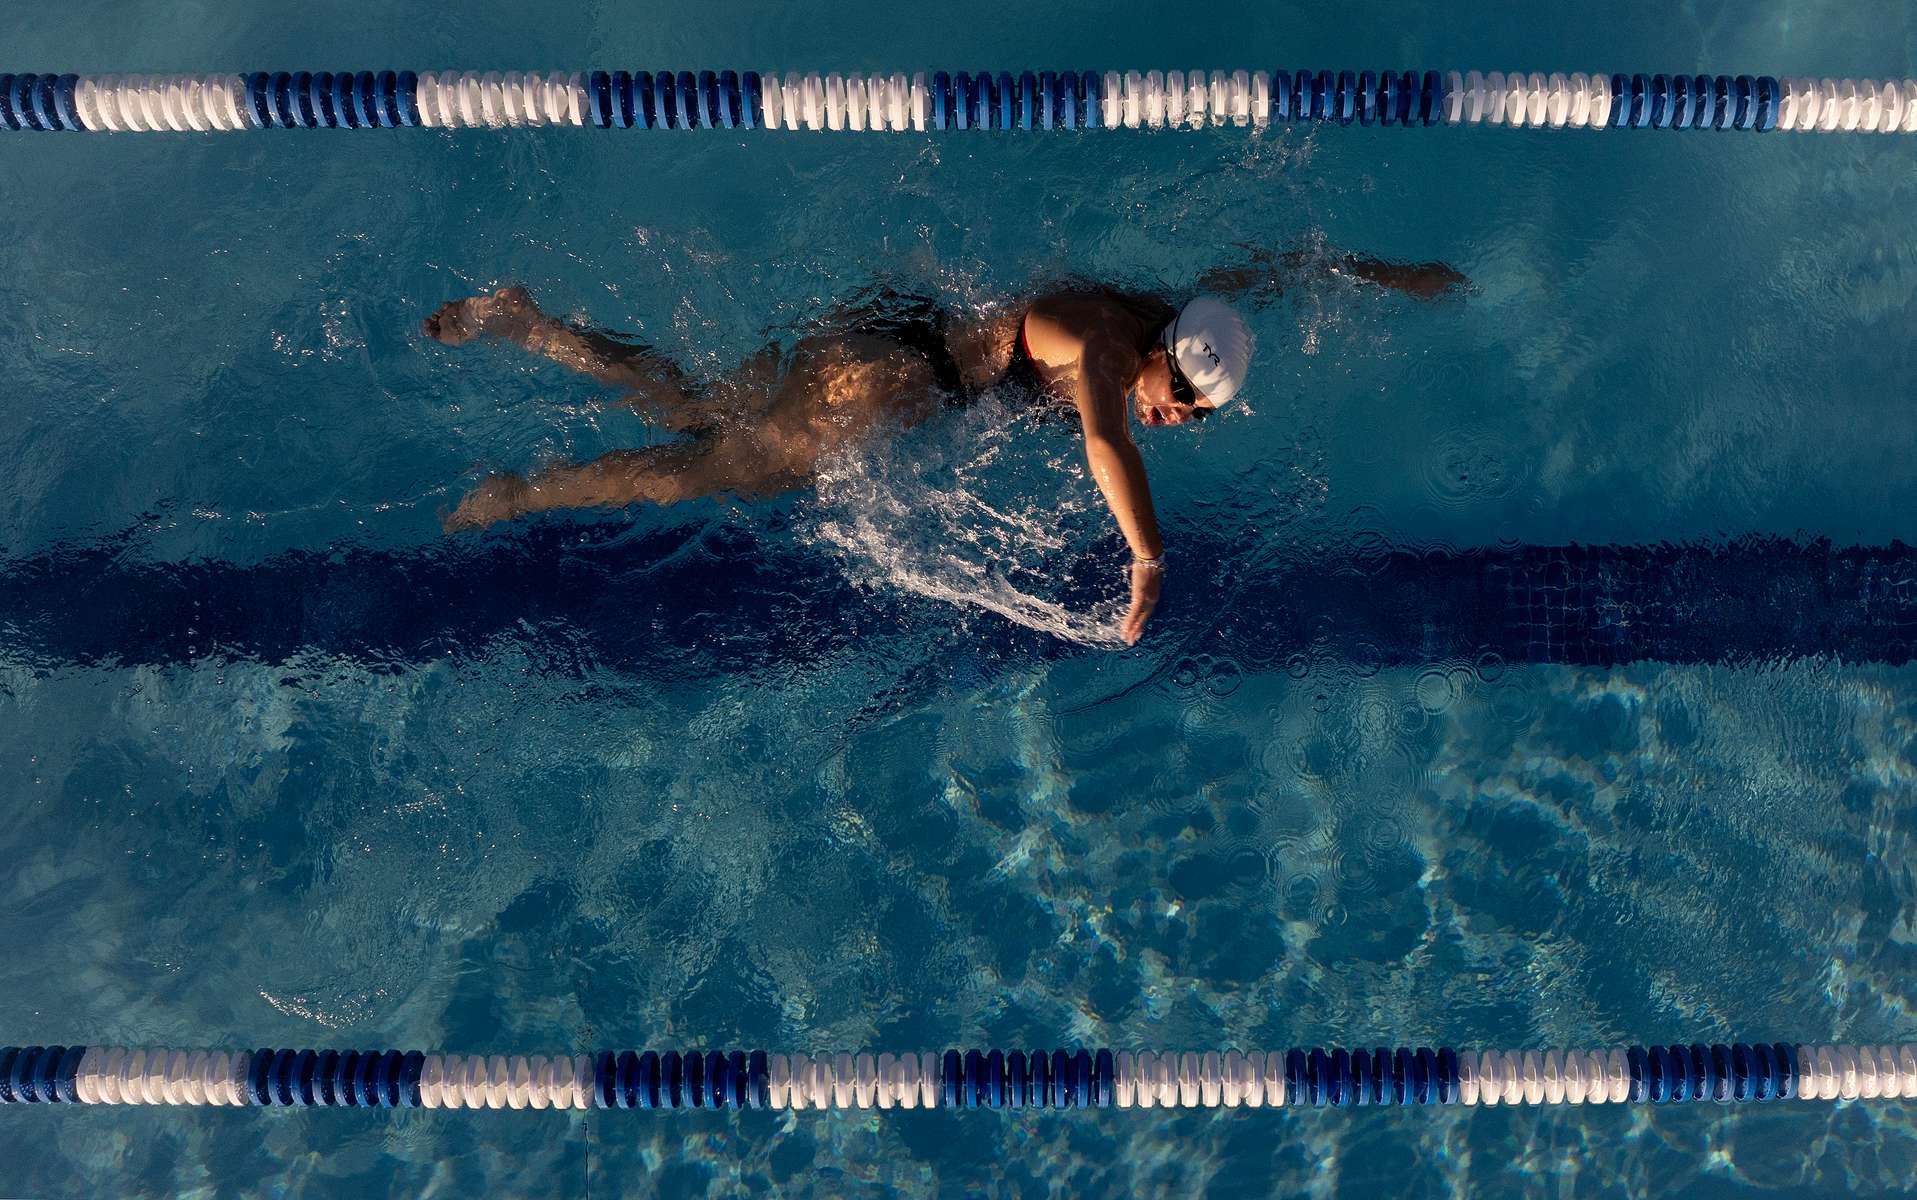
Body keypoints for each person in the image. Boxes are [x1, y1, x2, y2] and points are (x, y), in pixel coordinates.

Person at [424, 248, 1464, 644]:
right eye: (1181, 408)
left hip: (896, 339)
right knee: (698, 473)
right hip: (886, 377)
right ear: (1164, 361)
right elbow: (1108, 445)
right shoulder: (1110, 350)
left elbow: (1268, 272)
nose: (1174, 423)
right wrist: (1148, 562)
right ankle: (525, 494)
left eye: (1192, 420)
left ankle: (531, 323)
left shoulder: (1168, 317)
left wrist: (1390, 278)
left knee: (695, 413)